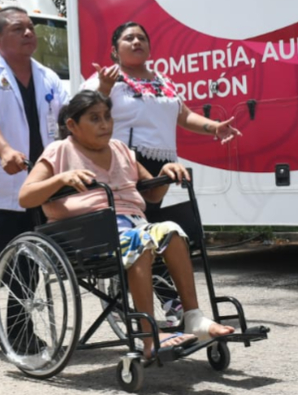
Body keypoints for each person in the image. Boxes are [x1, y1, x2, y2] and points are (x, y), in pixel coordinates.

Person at [19, 89, 235, 358]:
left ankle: (193, 317)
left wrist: (166, 174)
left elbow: (152, 193)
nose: (104, 124)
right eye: (95, 118)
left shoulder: (121, 149)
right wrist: (61, 179)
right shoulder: (59, 151)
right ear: (72, 125)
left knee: (173, 231)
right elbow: (26, 196)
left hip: (133, 225)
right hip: (87, 235)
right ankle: (148, 336)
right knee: (141, 242)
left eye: (107, 117)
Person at [0, 6, 68, 349]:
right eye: (18, 29)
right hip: (0, 181)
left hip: (40, 181)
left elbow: (68, 118)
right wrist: (5, 151)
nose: (28, 34)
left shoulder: (48, 77)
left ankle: (20, 333)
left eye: (30, 28)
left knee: (31, 258)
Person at [84, 21, 242, 215]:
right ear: (115, 50)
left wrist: (215, 127)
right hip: (127, 162)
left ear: (149, 48)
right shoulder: (107, 78)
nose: (136, 42)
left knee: (150, 218)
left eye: (141, 38)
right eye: (129, 38)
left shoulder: (163, 80)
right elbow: (85, 112)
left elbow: (184, 116)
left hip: (161, 163)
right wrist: (104, 88)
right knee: (131, 217)